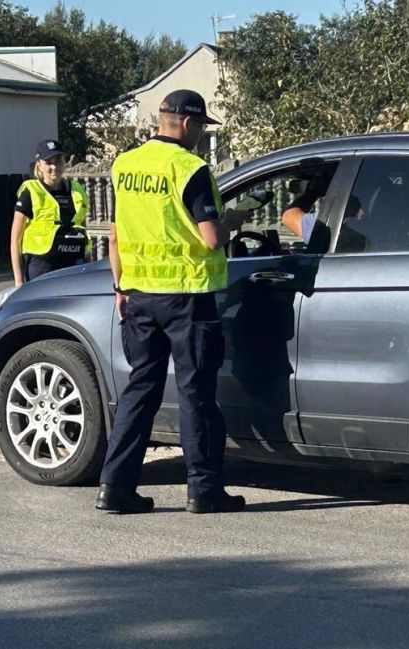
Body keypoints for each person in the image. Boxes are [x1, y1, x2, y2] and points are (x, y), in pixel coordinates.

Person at [95, 89, 248, 515]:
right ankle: (203, 490)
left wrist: (120, 287)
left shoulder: (125, 165)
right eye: (201, 127)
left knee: (139, 390)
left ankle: (115, 487)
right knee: (195, 393)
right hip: (187, 297)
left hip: (138, 295)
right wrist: (231, 222)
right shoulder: (189, 168)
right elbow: (211, 238)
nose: (201, 135)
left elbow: (116, 233)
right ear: (185, 123)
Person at [9, 140, 90, 287]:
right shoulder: (31, 192)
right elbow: (15, 240)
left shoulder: (77, 189)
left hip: (74, 263)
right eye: (48, 162)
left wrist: (88, 263)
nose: (54, 167)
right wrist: (18, 282)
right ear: (39, 164)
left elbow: (82, 229)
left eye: (58, 160)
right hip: (42, 266)